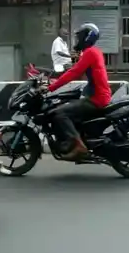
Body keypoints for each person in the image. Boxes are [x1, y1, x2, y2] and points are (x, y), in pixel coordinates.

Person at [42, 23, 112, 160]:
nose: (77, 40)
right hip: (97, 95)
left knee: (60, 113)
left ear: (87, 38)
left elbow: (73, 73)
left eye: (79, 37)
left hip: (97, 99)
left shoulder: (90, 53)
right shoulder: (93, 52)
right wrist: (52, 83)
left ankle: (78, 145)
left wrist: (51, 87)